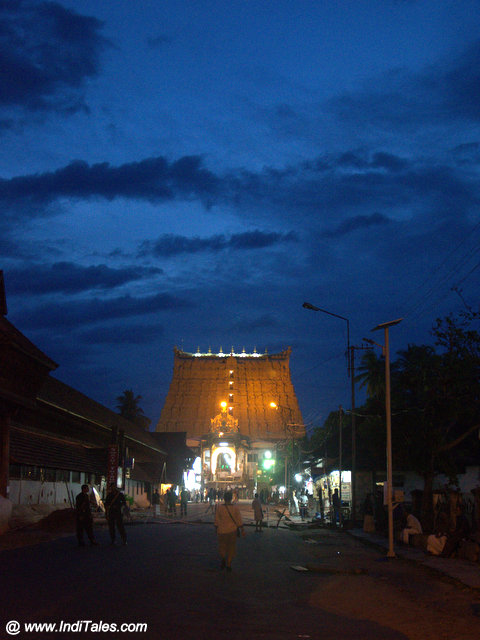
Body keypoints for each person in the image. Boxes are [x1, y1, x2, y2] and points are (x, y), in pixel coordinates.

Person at [214, 490, 245, 571]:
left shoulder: (219, 507)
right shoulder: (235, 508)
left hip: (221, 530)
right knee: (231, 548)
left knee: (222, 546)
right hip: (232, 530)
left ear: (224, 498)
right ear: (231, 498)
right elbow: (239, 520)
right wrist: (242, 530)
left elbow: (216, 520)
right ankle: (228, 564)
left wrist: (216, 528)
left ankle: (223, 557)